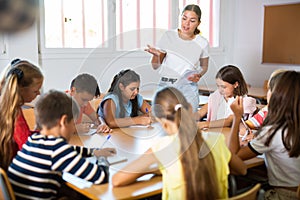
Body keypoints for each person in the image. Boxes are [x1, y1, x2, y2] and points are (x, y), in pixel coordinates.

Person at [112, 87, 247, 199]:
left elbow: (117, 180)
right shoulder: (216, 141)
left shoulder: (162, 148)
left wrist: (152, 169)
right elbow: (242, 170)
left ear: (162, 124)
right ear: (188, 108)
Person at [7, 90, 116, 199]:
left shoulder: (34, 140)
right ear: (64, 122)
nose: (74, 128)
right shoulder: (57, 150)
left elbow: (67, 149)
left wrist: (94, 152)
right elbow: (101, 176)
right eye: (73, 124)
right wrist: (102, 158)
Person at [229, 71, 300, 200]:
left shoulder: (272, 132)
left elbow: (234, 155)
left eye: (269, 90)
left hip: (283, 196)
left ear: (276, 96)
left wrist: (236, 117)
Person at [145, 4, 209, 112]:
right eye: (184, 18)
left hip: (188, 86)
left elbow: (204, 66)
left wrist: (199, 74)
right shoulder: (168, 36)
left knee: (187, 120)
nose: (186, 23)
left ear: (198, 23)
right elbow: (155, 67)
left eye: (192, 20)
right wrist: (157, 56)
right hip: (167, 84)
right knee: (161, 119)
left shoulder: (202, 42)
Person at [0, 58, 43, 171]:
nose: (39, 93)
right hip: (18, 173)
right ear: (21, 90)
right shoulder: (14, 112)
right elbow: (27, 147)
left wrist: (42, 133)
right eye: (35, 90)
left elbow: (24, 136)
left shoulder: (7, 107)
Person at [197, 65, 257, 129]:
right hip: (214, 133)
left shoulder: (245, 101)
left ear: (236, 84)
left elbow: (229, 121)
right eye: (218, 86)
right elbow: (201, 112)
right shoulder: (217, 96)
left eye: (223, 87)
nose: (220, 90)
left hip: (231, 136)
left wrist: (204, 124)